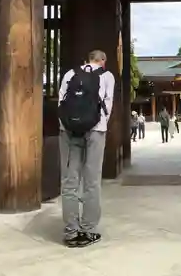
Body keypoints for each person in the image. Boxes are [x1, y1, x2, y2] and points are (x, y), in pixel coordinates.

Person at [58, 50, 115, 248]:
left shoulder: (70, 74)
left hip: (69, 130)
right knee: (92, 180)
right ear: (103, 61)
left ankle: (71, 232)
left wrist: (68, 125)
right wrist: (98, 125)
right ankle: (88, 229)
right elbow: (108, 105)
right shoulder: (106, 76)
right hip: (96, 130)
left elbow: (61, 102)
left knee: (69, 181)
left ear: (87, 60)